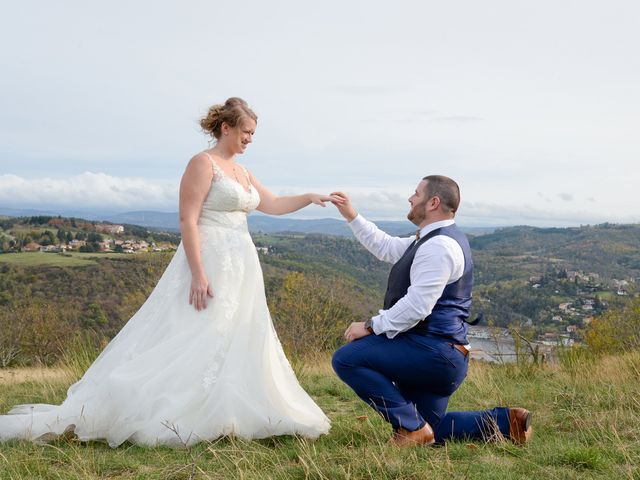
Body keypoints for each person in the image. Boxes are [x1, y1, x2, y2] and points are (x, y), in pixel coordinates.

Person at [0, 97, 335, 447]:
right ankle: (176, 410)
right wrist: (198, 273)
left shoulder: (244, 172)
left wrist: (310, 197)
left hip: (243, 264)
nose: (250, 139)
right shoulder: (202, 164)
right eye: (246, 132)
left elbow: (273, 204)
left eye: (253, 134)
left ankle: (231, 410)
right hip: (210, 259)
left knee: (238, 332)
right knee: (200, 332)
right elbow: (187, 219)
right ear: (227, 128)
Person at [330, 176, 532, 447]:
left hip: (432, 354)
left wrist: (368, 326)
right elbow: (386, 247)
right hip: (441, 355)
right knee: (432, 430)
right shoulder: (430, 240)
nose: (411, 198)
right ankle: (509, 423)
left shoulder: (439, 246)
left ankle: (410, 427)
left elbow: (417, 306)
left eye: (416, 193)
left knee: (347, 359)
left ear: (433, 202)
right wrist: (351, 216)